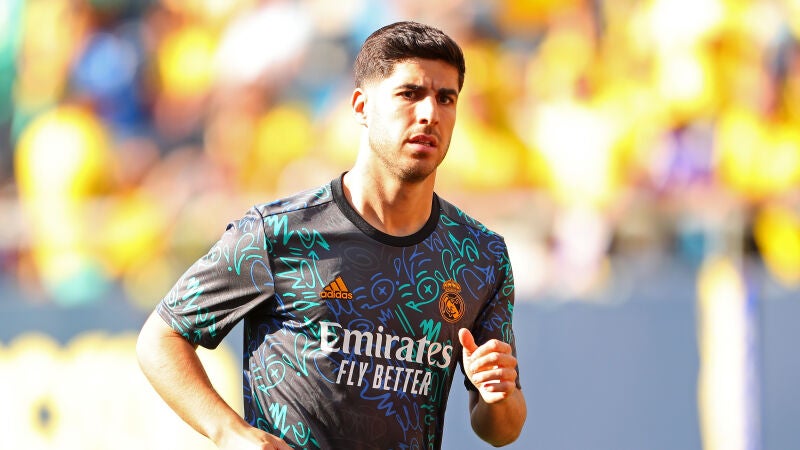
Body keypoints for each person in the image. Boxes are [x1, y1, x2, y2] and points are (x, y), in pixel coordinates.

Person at [136, 21, 526, 449]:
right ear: (361, 107)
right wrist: (230, 431)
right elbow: (161, 337)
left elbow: (501, 428)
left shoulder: (479, 255)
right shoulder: (280, 232)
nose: (430, 114)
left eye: (445, 98)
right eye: (409, 94)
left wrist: (499, 395)